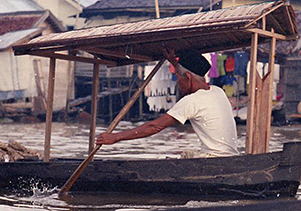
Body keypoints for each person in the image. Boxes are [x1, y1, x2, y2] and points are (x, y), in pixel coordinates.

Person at [96, 48, 239, 158]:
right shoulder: (217, 91)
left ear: (188, 77)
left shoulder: (191, 101)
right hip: (230, 157)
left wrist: (116, 137)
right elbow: (188, 72)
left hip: (214, 159)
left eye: (177, 78)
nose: (178, 83)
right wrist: (174, 62)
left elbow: (154, 126)